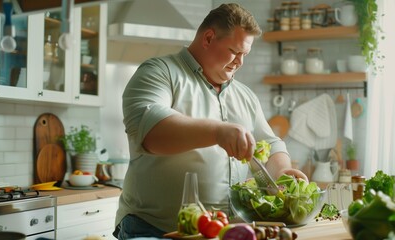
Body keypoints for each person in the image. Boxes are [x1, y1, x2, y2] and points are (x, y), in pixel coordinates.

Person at [114, 3, 308, 239]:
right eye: (235, 52)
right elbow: (152, 132)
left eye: (244, 55)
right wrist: (218, 132)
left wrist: (283, 172)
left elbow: (271, 144)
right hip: (155, 229)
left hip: (223, 231)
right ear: (208, 38)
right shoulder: (159, 72)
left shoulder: (244, 95)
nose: (240, 62)